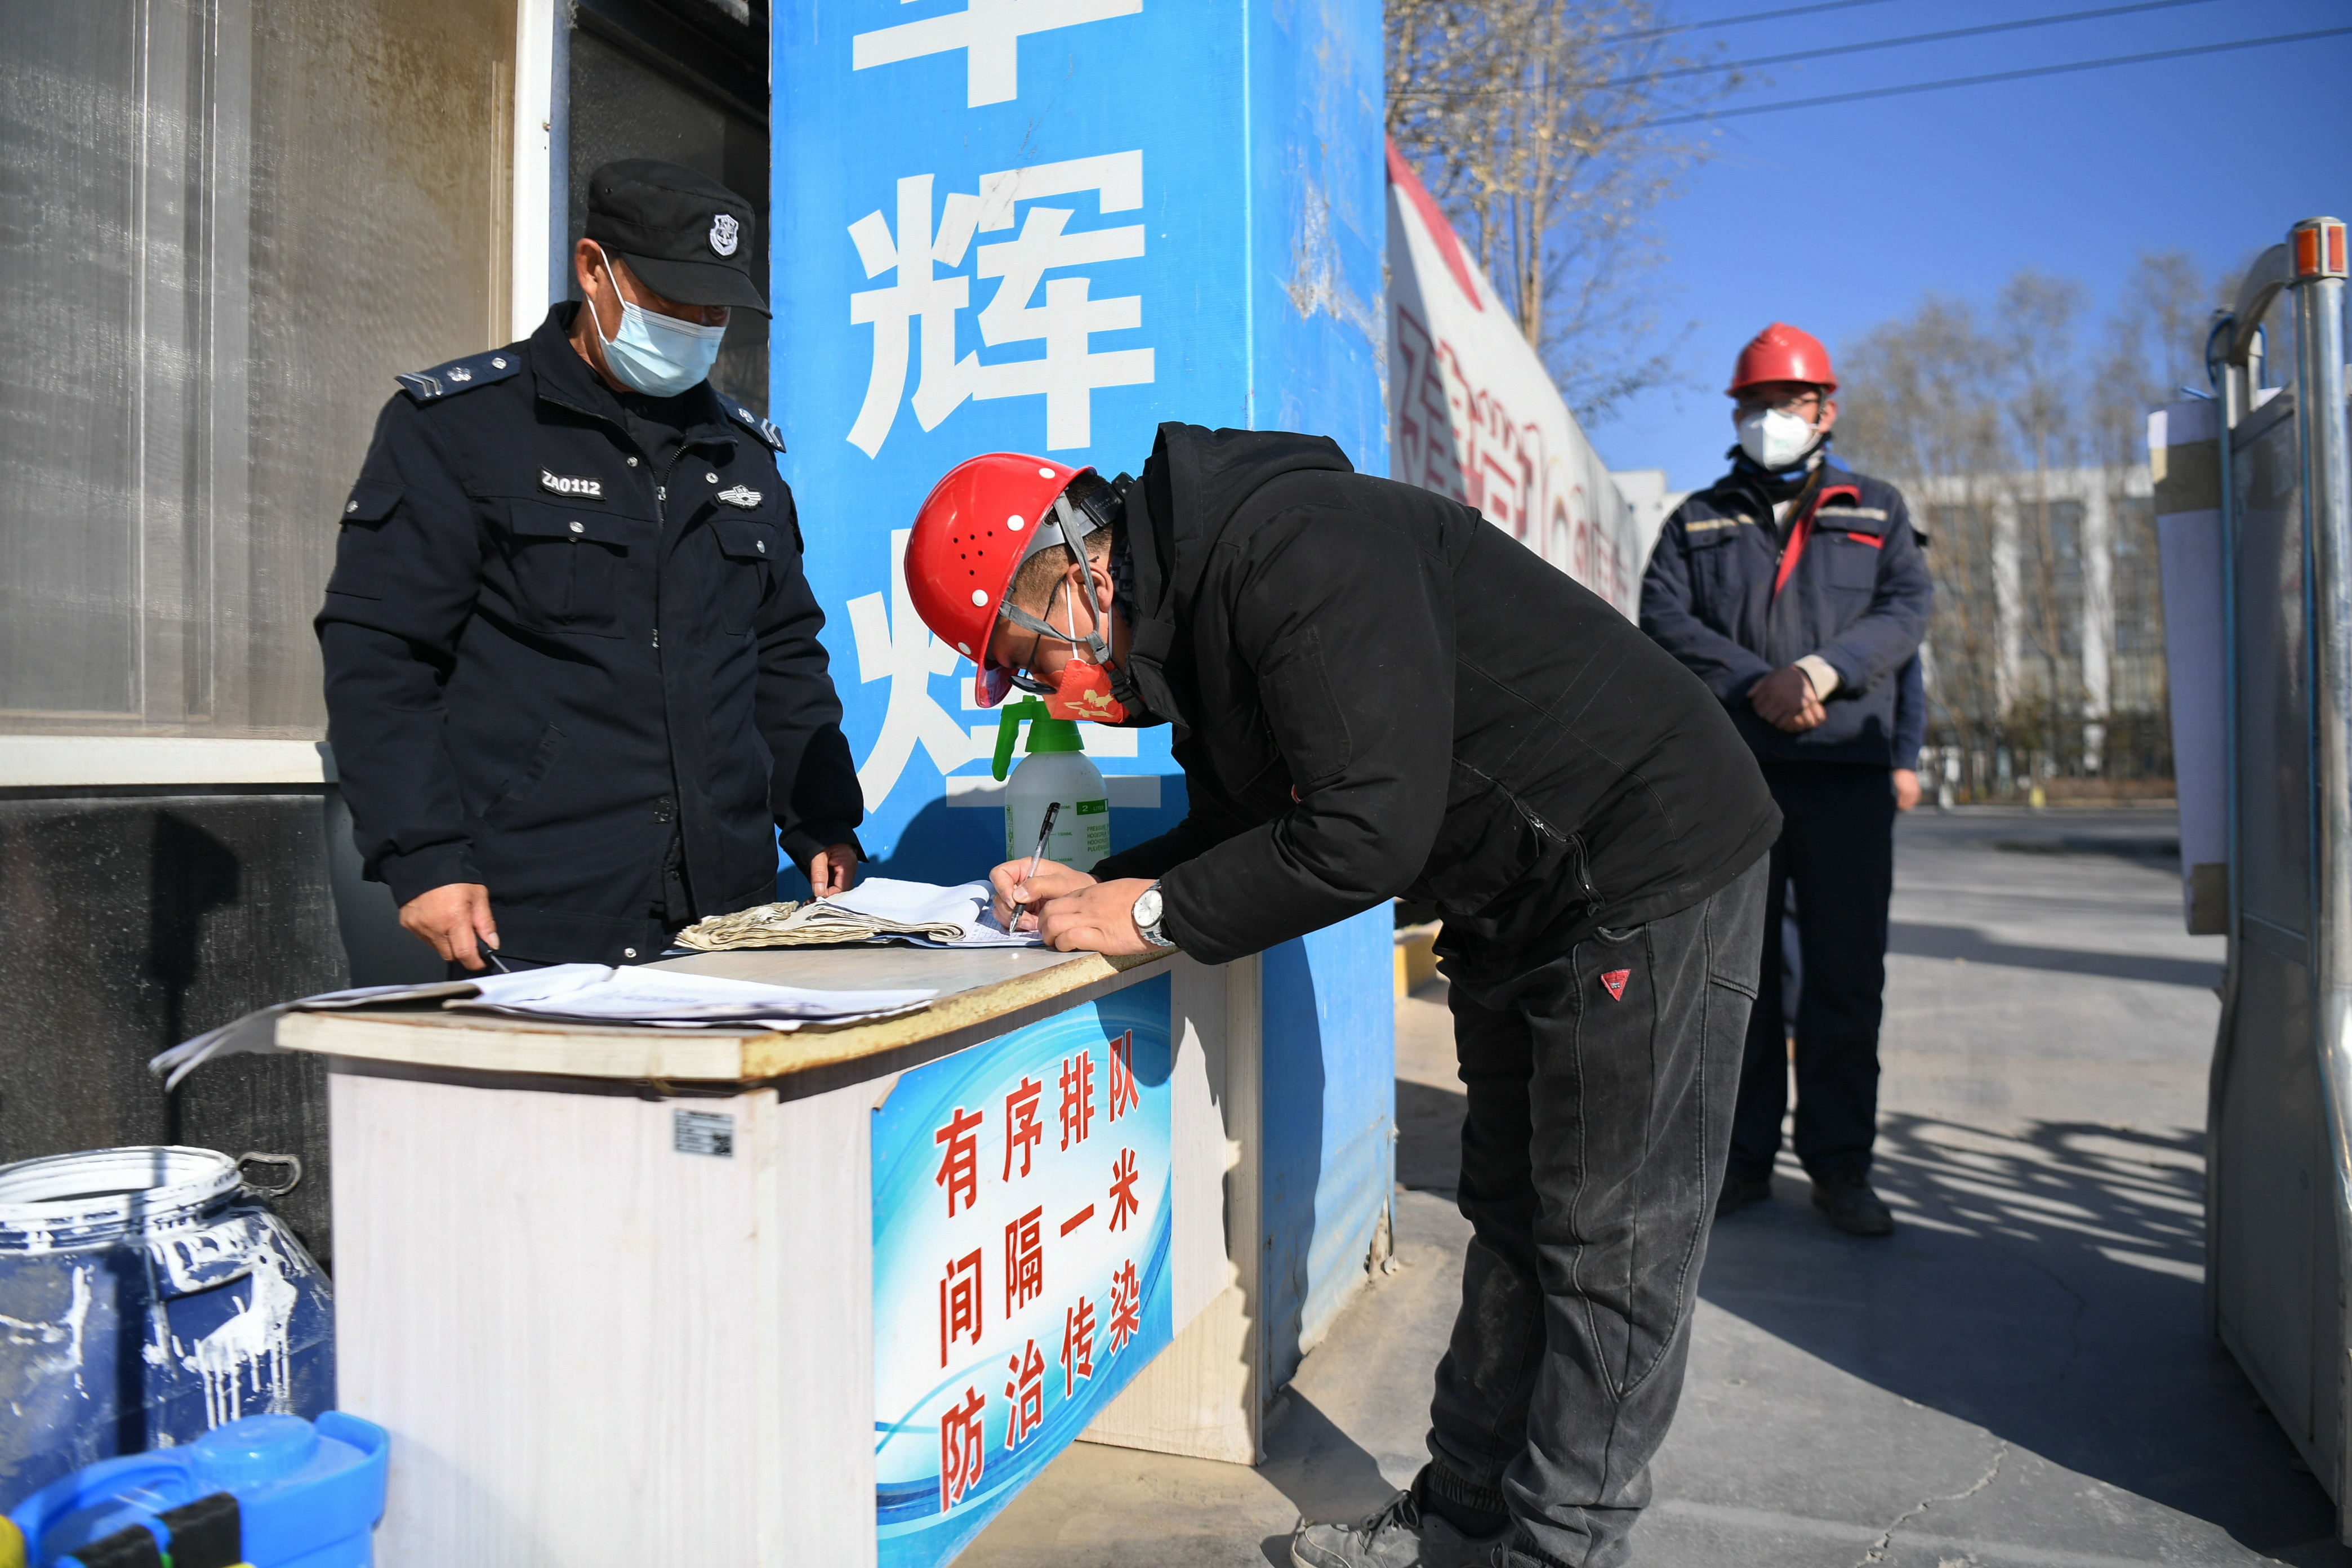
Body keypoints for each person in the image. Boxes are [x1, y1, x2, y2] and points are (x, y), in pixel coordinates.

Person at [898, 427, 1780, 1568]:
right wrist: (1113, 885)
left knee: (1609, 1247)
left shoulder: (1296, 551)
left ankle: (1558, 1553)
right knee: (1516, 1218)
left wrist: (1153, 917)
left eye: (1029, 653)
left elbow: (1365, 833)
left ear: (1078, 565)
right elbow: (1250, 826)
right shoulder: (1204, 620)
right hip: (1523, 894)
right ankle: (1465, 1516)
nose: (1052, 689)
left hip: (1648, 862)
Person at [318, 159, 862, 972]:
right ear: (593, 269)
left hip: (725, 904)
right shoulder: (461, 430)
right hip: (532, 904)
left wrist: (820, 816)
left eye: (715, 310)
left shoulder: (743, 457)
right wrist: (423, 854)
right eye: (673, 302)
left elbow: (782, 651)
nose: (697, 325)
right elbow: (381, 655)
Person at [1637, 322, 1932, 1239]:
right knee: (1740, 980)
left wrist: (1818, 673)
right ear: (1737, 412)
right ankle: (1741, 1162)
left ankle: (1843, 1167)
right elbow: (1661, 619)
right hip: (1738, 776)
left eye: (1787, 403)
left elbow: (1907, 614)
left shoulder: (1877, 509)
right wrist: (1755, 684)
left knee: (1846, 983)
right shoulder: (1696, 520)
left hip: (1845, 773)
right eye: (1755, 404)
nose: (1771, 418)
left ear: (1825, 410)